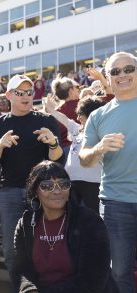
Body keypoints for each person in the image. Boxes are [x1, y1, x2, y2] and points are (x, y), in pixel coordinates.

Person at [0, 74, 63, 291]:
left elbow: (59, 161)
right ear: (9, 95)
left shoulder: (46, 120)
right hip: (10, 192)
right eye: (20, 93)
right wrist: (0, 145)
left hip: (43, 191)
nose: (26, 96)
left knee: (47, 246)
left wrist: (54, 144)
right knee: (12, 250)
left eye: (29, 92)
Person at [79, 52, 137, 293]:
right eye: (115, 71)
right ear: (107, 78)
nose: (122, 75)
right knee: (119, 271)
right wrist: (100, 148)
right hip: (116, 204)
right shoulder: (98, 115)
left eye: (128, 69)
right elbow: (84, 159)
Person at [13, 161, 118, 293]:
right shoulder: (26, 224)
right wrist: (29, 290)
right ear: (35, 191)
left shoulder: (90, 222)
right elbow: (21, 270)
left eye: (63, 184)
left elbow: (92, 281)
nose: (57, 191)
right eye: (47, 186)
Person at [45, 95, 105, 213]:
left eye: (80, 114)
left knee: (93, 218)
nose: (77, 117)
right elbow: (65, 119)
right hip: (71, 183)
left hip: (93, 184)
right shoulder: (77, 129)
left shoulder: (103, 133)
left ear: (91, 115)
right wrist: (51, 110)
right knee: (73, 218)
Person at [51, 76, 81, 160]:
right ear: (71, 90)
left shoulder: (56, 112)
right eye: (76, 87)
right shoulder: (81, 104)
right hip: (82, 147)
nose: (78, 89)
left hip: (64, 153)